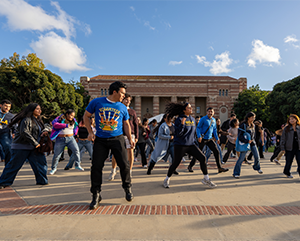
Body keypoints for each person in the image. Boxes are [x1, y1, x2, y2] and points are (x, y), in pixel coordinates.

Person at [83, 81, 134, 210]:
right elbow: (86, 116)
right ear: (115, 92)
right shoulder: (97, 102)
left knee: (124, 164)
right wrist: (90, 132)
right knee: (96, 166)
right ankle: (96, 194)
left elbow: (126, 124)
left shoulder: (122, 107)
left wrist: (129, 139)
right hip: (101, 140)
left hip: (117, 139)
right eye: (122, 93)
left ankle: (127, 188)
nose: (124, 96)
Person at [163, 102, 217, 189]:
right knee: (176, 163)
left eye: (191, 107)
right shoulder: (179, 119)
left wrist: (196, 141)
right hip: (180, 145)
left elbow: (193, 133)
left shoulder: (192, 119)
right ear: (184, 110)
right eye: (189, 108)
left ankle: (206, 179)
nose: (191, 109)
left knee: (202, 158)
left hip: (191, 144)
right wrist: (182, 124)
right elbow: (178, 134)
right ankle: (167, 179)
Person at [0, 103, 50, 189]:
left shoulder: (37, 120)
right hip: (21, 147)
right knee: (14, 165)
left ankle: (42, 180)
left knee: (41, 164)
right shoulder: (26, 119)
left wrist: (45, 130)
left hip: (34, 147)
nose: (40, 111)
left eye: (40, 109)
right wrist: (35, 143)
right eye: (37, 109)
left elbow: (39, 130)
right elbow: (24, 132)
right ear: (32, 110)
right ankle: (3, 182)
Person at [188, 107, 228, 173]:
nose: (210, 113)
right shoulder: (203, 119)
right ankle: (190, 166)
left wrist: (217, 138)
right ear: (207, 112)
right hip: (202, 139)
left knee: (216, 151)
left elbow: (215, 130)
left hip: (210, 139)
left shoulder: (214, 120)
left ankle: (219, 167)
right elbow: (198, 128)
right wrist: (199, 136)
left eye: (211, 111)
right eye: (209, 111)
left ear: (213, 112)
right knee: (197, 153)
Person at [108, 94, 139, 180]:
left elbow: (136, 124)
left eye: (129, 100)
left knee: (130, 152)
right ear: (122, 100)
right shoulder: (117, 109)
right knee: (115, 153)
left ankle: (129, 171)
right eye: (126, 100)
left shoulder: (132, 112)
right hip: (119, 134)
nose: (127, 101)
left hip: (130, 134)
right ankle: (113, 170)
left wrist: (136, 136)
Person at [49, 109, 83, 174]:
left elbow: (76, 126)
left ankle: (77, 165)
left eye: (73, 116)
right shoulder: (59, 118)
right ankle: (53, 168)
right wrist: (66, 125)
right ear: (67, 114)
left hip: (71, 138)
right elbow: (55, 125)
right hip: (60, 139)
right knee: (57, 155)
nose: (72, 117)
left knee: (76, 151)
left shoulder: (73, 120)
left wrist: (75, 132)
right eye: (71, 115)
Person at [233, 112, 263, 178]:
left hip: (252, 142)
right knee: (241, 159)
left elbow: (253, 135)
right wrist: (246, 141)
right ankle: (236, 173)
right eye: (252, 117)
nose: (253, 119)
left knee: (257, 156)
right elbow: (240, 136)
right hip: (245, 143)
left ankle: (257, 167)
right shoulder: (243, 125)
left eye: (254, 117)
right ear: (248, 117)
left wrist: (252, 140)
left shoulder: (253, 125)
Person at [280, 114, 300, 178]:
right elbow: (283, 138)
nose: (291, 120)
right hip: (289, 147)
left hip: (298, 148)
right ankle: (287, 172)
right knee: (289, 161)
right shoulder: (286, 128)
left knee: (299, 162)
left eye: (292, 119)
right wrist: (282, 147)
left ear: (296, 119)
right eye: (290, 119)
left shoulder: (299, 127)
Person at [0, 100, 14, 165]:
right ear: (1, 105)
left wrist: (14, 132)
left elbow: (14, 125)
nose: (7, 108)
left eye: (9, 106)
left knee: (8, 147)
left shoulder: (11, 116)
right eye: (5, 106)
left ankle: (8, 166)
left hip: (4, 134)